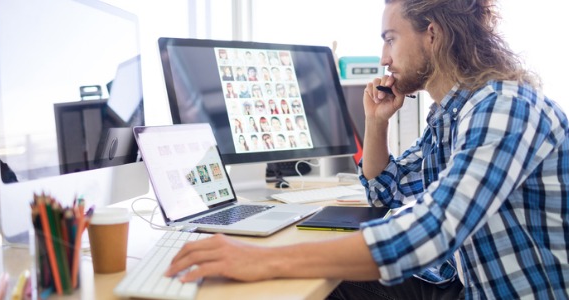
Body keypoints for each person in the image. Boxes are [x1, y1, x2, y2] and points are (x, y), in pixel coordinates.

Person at [164, 1, 569, 299]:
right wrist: (376, 123)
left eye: (390, 39)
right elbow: (384, 192)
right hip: (462, 283)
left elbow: (433, 230)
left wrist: (262, 259)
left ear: (433, 33)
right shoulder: (452, 116)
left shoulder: (504, 107)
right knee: (328, 282)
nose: (384, 58)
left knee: (296, 276)